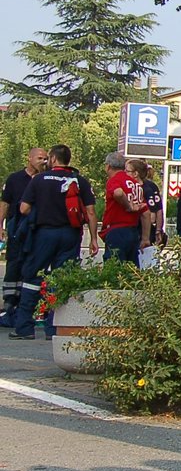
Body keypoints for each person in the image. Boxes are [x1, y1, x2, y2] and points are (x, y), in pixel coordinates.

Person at [12, 144, 98, 340]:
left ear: (52, 159)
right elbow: (91, 212)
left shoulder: (40, 179)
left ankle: (24, 327)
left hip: (44, 234)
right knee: (62, 280)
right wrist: (93, 238)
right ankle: (55, 328)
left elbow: (24, 209)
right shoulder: (79, 180)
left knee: (32, 277)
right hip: (70, 235)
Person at [0, 146, 47, 327]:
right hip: (17, 227)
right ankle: (10, 304)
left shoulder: (46, 179)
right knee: (14, 264)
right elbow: (5, 203)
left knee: (33, 267)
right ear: (30, 158)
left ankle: (30, 307)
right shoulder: (15, 179)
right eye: (40, 158)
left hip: (37, 229)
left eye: (45, 158)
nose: (43, 161)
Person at [100, 152, 150, 265]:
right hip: (133, 232)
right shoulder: (135, 184)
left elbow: (118, 193)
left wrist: (128, 206)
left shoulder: (114, 180)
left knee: (114, 269)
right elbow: (146, 213)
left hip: (117, 231)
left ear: (108, 166)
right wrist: (145, 238)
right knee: (131, 269)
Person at [130, 158, 164, 250]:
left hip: (143, 230)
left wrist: (158, 230)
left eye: (127, 171)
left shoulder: (147, 188)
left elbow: (156, 212)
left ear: (136, 173)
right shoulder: (133, 186)